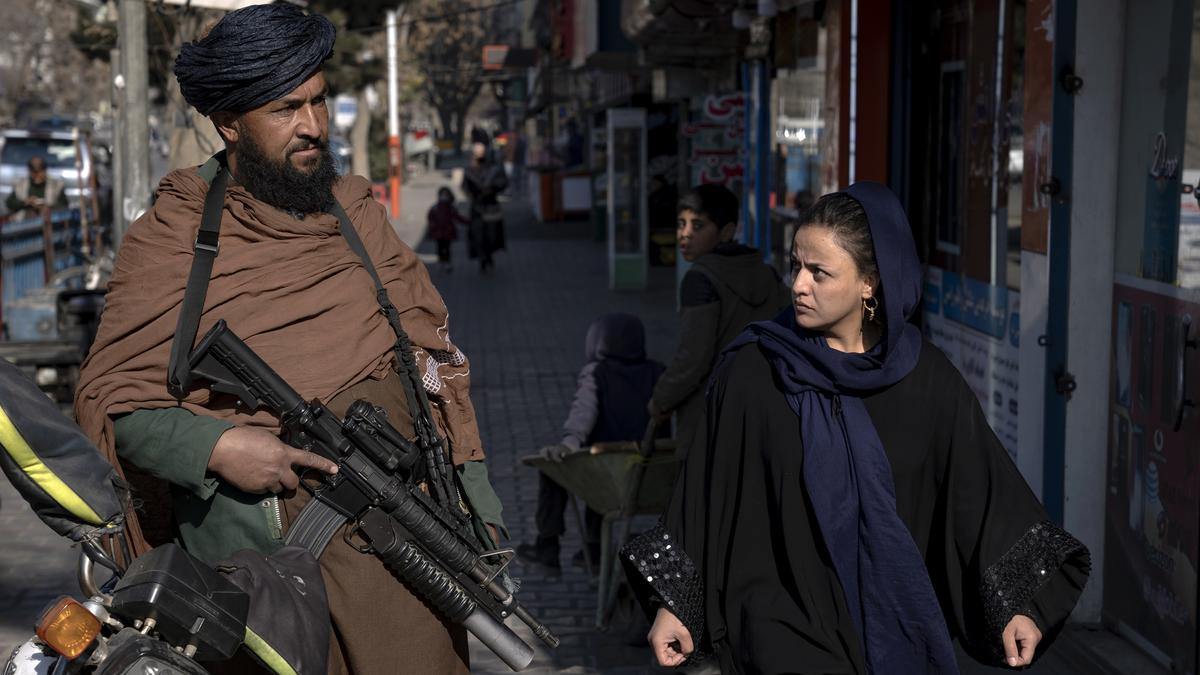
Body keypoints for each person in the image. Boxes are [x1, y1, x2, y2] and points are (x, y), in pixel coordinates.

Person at [74, 5, 506, 674]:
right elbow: (116, 405)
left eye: (318, 101)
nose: (312, 125)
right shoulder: (176, 235)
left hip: (403, 559)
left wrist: (484, 516)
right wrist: (217, 445)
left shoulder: (358, 215)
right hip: (264, 581)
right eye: (285, 109)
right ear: (229, 124)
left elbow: (437, 371)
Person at [622, 183, 1091, 674]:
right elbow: (704, 493)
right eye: (795, 266)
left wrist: (1020, 605)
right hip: (778, 627)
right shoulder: (754, 371)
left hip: (894, 630)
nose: (799, 284)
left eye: (819, 272)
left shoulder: (926, 379)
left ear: (870, 281)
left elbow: (980, 495)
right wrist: (673, 605)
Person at [648, 184, 790, 460]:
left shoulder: (700, 279)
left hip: (710, 417)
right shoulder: (768, 274)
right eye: (681, 224)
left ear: (726, 231)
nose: (685, 234)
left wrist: (661, 399)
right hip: (763, 410)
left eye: (698, 226)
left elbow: (693, 357)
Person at [517, 313, 665, 570]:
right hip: (649, 473)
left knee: (556, 468)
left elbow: (583, 413)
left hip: (608, 471)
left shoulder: (597, 373)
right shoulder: (659, 372)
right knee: (599, 465)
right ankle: (594, 550)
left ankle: (548, 546)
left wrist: (568, 444)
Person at [462, 132, 508, 272]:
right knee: (478, 235)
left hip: (491, 206)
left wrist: (492, 189)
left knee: (491, 235)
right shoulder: (470, 167)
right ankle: (482, 258)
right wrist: (472, 192)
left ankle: (488, 256)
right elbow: (465, 186)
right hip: (477, 207)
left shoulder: (494, 166)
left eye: (480, 147)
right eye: (475, 147)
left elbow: (503, 182)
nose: (477, 150)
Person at [427, 186, 468, 273]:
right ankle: (441, 261)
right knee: (440, 248)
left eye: (446, 195)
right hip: (438, 232)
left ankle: (447, 263)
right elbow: (430, 218)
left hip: (448, 232)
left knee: (447, 248)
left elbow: (457, 217)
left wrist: (467, 222)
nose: (444, 197)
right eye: (442, 194)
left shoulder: (450, 208)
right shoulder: (435, 207)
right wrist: (432, 226)